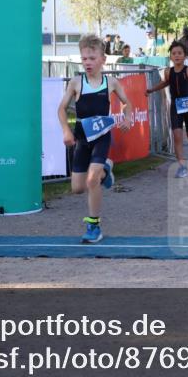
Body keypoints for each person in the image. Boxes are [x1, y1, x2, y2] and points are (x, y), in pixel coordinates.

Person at [57, 34, 134, 244]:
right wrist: (66, 130)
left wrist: (127, 117)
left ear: (103, 59)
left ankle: (94, 225)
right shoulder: (75, 82)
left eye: (92, 58)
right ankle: (106, 169)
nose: (87, 63)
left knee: (92, 180)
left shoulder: (111, 83)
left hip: (101, 136)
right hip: (82, 138)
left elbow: (127, 103)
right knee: (77, 188)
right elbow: (61, 109)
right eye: (84, 59)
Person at [146, 40, 188, 178]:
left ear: (185, 56)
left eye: (180, 53)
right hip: (175, 107)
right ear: (170, 57)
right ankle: (182, 167)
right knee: (177, 136)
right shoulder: (168, 71)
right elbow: (166, 82)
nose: (177, 56)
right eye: (174, 53)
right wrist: (151, 89)